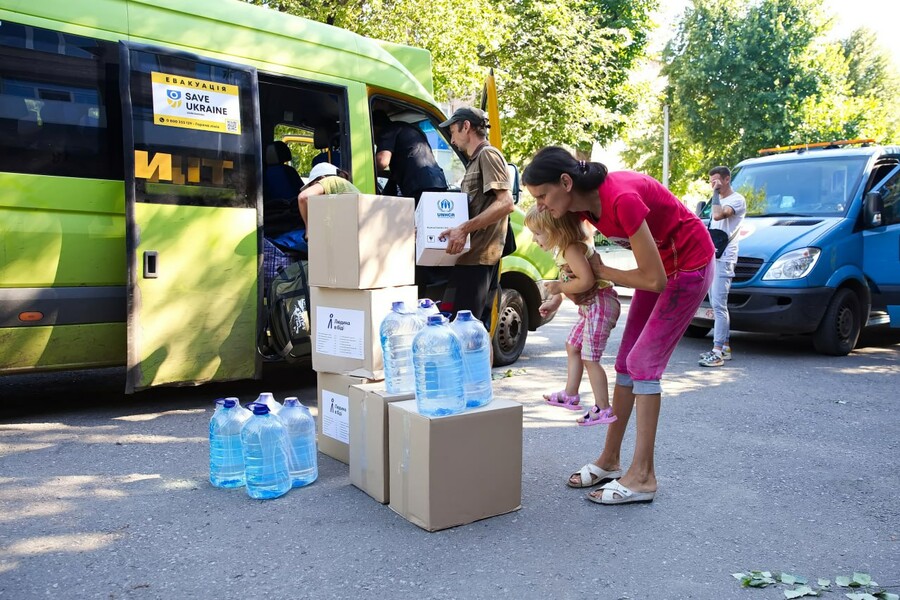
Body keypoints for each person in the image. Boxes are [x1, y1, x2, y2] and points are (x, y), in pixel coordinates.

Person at [522, 146, 714, 505]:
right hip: (662, 269)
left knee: (643, 365)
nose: (542, 205)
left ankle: (643, 476)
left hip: (688, 267)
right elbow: (574, 258)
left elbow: (653, 280)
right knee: (625, 363)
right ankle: (610, 459)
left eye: (543, 196)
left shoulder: (620, 198)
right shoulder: (578, 206)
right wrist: (563, 293)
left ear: (566, 182)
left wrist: (602, 273)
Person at [524, 206, 620, 426]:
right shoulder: (564, 251)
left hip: (601, 303)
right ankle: (570, 394)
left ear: (557, 229)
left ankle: (603, 408)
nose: (533, 239)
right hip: (591, 306)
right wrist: (555, 300)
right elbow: (569, 282)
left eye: (538, 233)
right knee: (573, 345)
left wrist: (558, 287)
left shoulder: (572, 250)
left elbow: (585, 281)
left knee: (590, 357)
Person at [437, 107, 514, 328]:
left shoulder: (488, 155)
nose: (452, 140)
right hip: (469, 257)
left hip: (480, 258)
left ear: (467, 127)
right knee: (468, 330)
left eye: (453, 131)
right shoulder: (474, 161)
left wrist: (464, 229)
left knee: (470, 330)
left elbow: (506, 203)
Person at [699, 165, 746, 368]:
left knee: (719, 305)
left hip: (725, 257)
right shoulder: (717, 199)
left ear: (727, 180)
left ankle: (717, 351)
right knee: (715, 302)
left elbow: (719, 216)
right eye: (711, 181)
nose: (713, 185)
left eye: (716, 181)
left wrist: (715, 194)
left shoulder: (737, 200)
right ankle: (724, 346)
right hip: (714, 255)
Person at [372, 110, 448, 203]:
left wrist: (362, 170)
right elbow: (395, 175)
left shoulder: (387, 131)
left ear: (374, 129)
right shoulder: (408, 129)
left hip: (419, 186)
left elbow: (382, 162)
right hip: (437, 182)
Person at [296, 162, 359, 240]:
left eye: (313, 186)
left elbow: (303, 197)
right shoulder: (345, 185)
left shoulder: (331, 180)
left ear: (321, 179)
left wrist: (309, 230)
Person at [263, 141, 306, 253]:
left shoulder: (262, 173)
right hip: (290, 217)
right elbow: (303, 194)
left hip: (270, 218)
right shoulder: (288, 172)